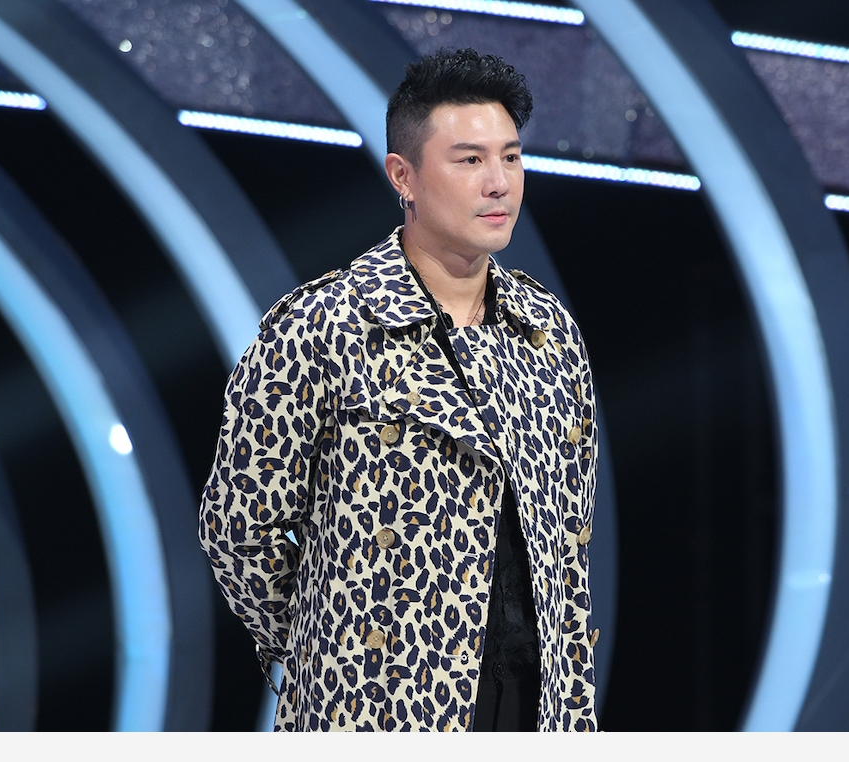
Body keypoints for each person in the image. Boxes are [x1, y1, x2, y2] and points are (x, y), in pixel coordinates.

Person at [199, 48, 598, 732]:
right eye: (469, 160)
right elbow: (238, 529)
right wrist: (334, 645)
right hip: (377, 707)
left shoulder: (547, 332)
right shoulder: (325, 324)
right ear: (402, 176)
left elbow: (568, 544)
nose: (498, 183)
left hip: (539, 708)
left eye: (510, 158)